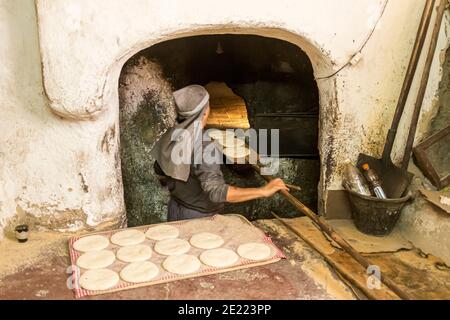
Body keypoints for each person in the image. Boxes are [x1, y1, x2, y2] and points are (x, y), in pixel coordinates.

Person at [151, 84, 288, 221]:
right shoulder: (204, 147)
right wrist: (263, 191)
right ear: (204, 113)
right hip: (197, 217)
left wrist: (178, 187)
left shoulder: (171, 135)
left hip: (175, 208)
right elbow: (216, 192)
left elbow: (159, 168)